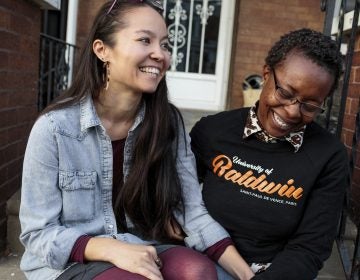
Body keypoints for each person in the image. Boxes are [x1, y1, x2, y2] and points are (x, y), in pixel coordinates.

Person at [19, 1, 256, 279]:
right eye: (145, 40)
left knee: (198, 271)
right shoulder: (55, 128)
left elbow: (192, 212)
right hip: (71, 261)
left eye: (165, 44)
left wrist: (247, 275)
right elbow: (38, 233)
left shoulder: (166, 123)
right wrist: (108, 249)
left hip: (143, 245)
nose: (160, 54)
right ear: (102, 50)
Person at [190, 28, 349, 280]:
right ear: (266, 74)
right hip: (201, 264)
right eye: (285, 93)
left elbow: (310, 247)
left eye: (310, 106)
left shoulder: (329, 157)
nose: (293, 112)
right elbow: (177, 203)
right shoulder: (213, 131)